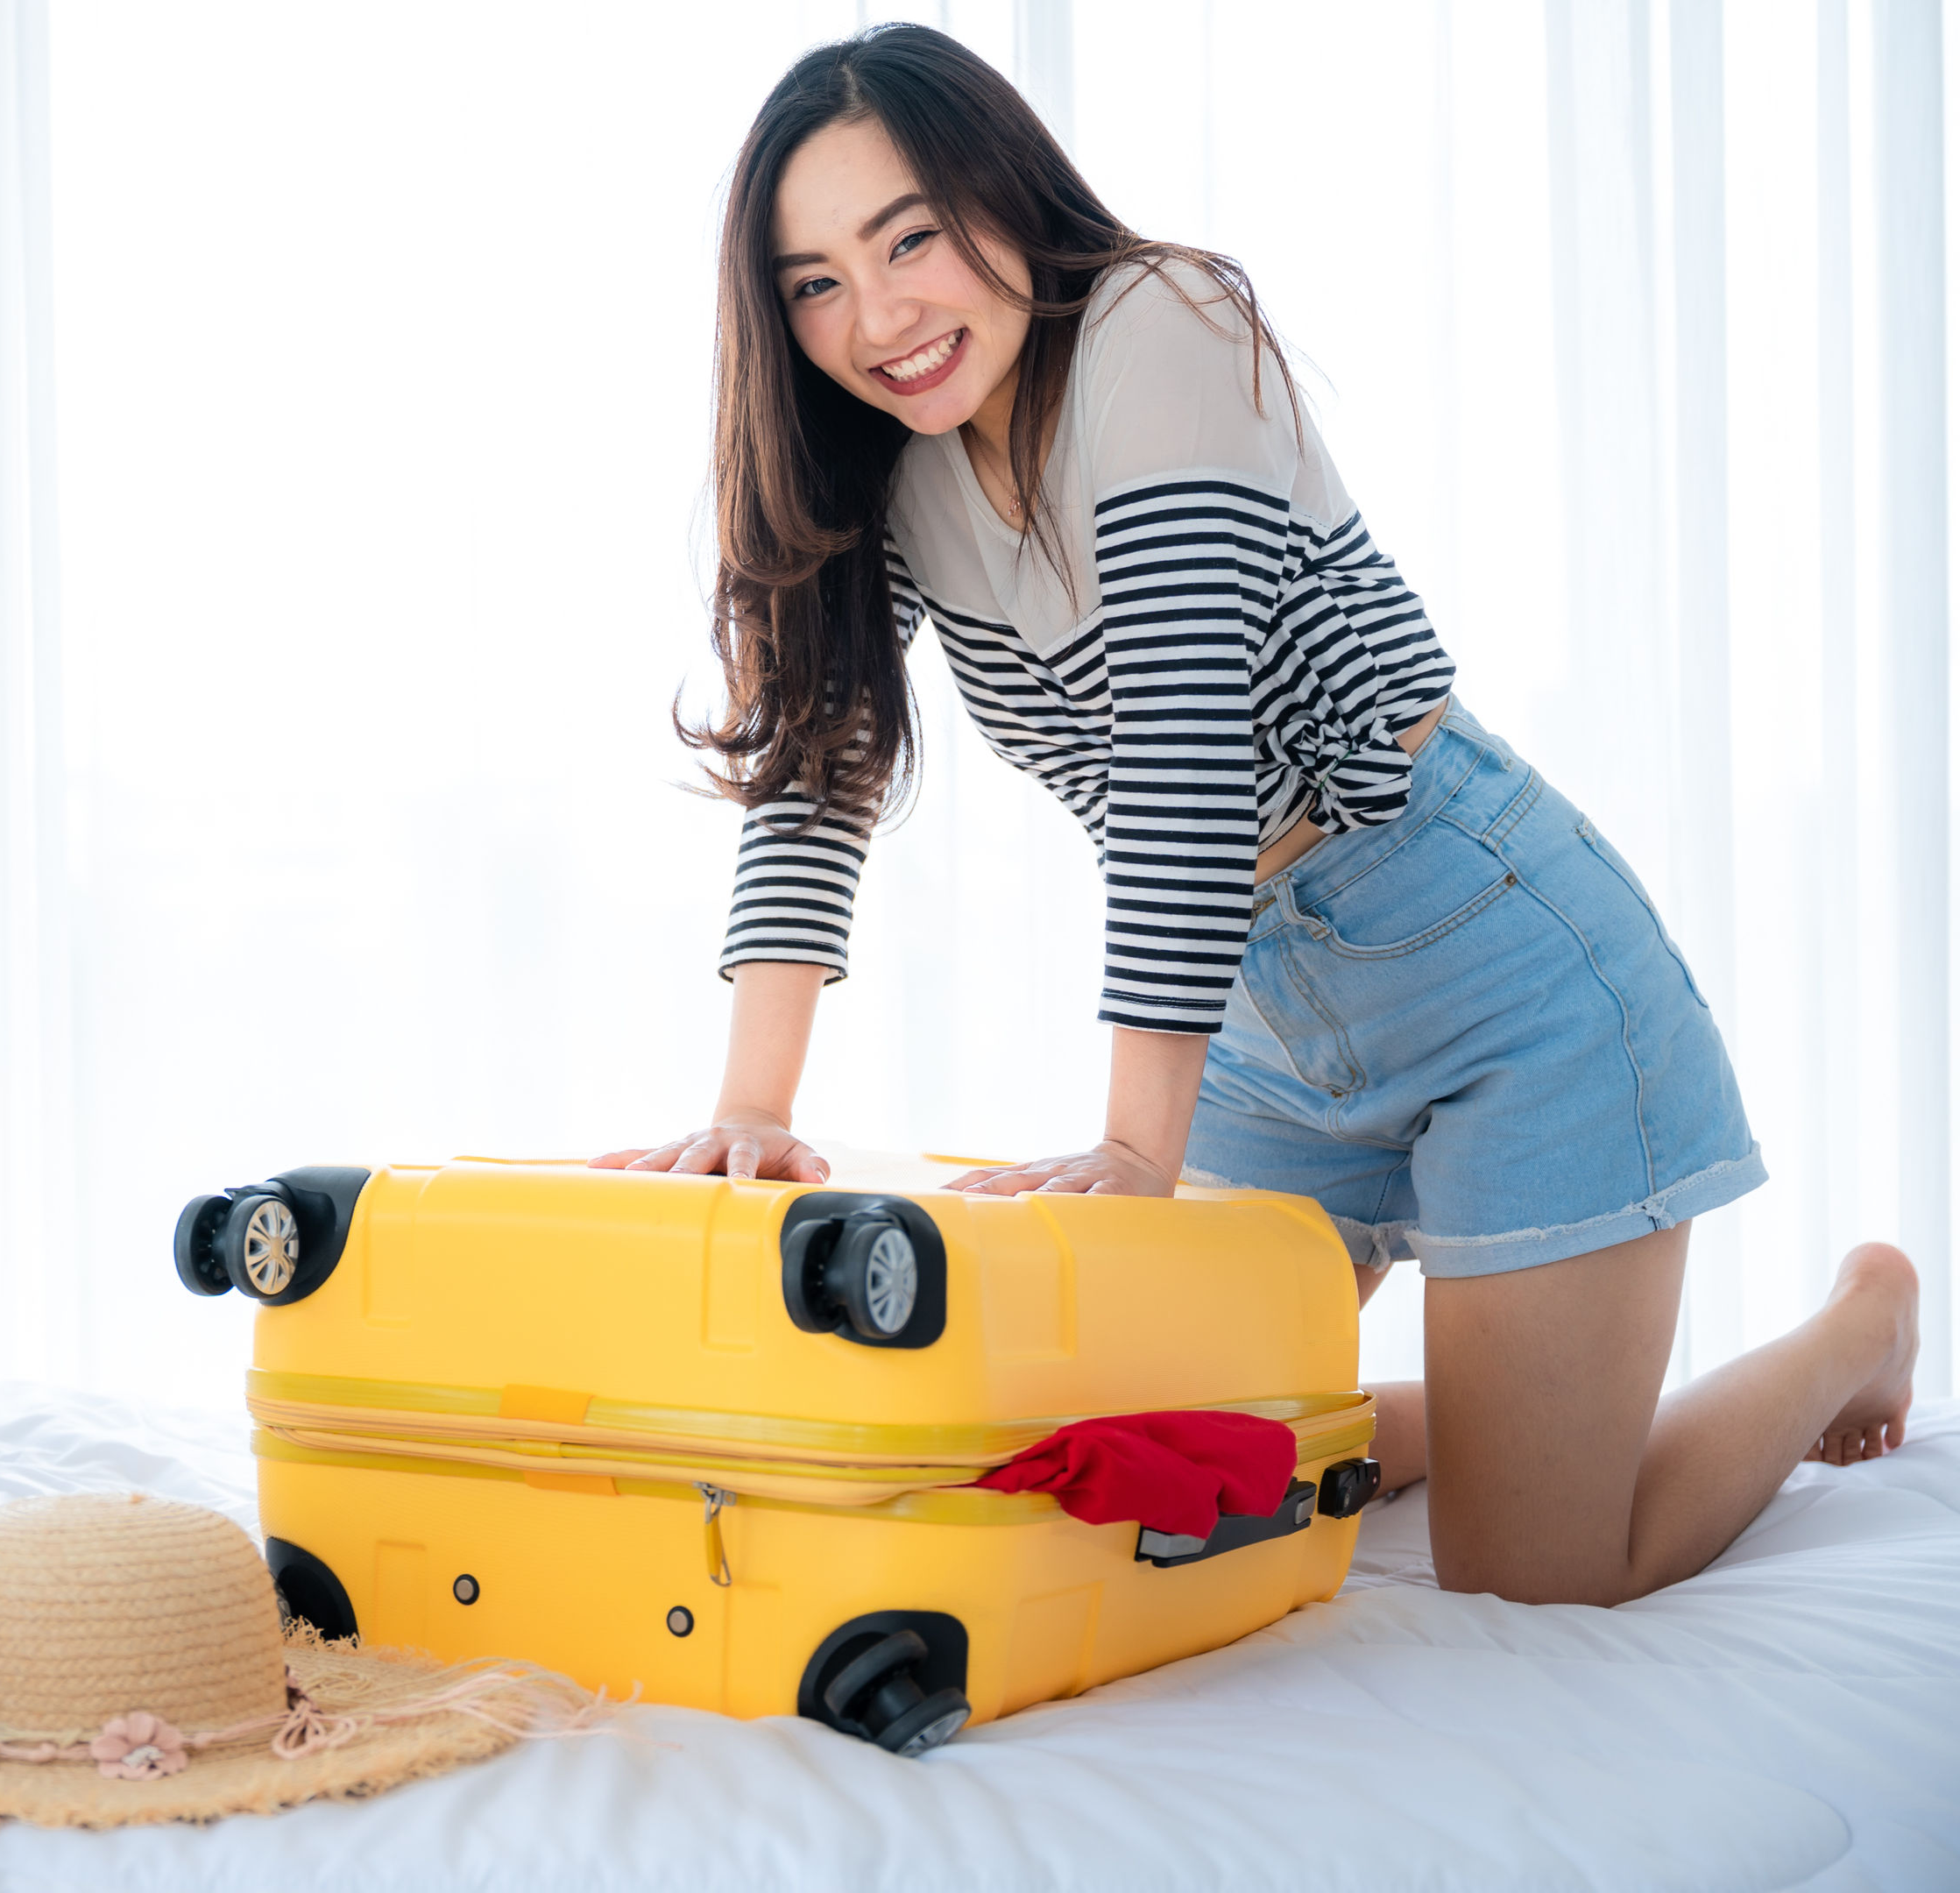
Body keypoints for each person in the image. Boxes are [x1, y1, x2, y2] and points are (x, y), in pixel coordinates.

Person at [596, 25, 1920, 1606]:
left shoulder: (1164, 323)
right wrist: (750, 1108)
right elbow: (820, 763)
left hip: (1490, 956)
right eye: (814, 283)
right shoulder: (886, 464)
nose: (877, 318)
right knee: (1134, 1462)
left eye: (911, 239)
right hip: (1260, 1008)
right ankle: (1486, 1421)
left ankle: (1857, 1325)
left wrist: (1132, 1154)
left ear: (1001, 196)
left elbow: (1181, 760)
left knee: (1539, 1581)